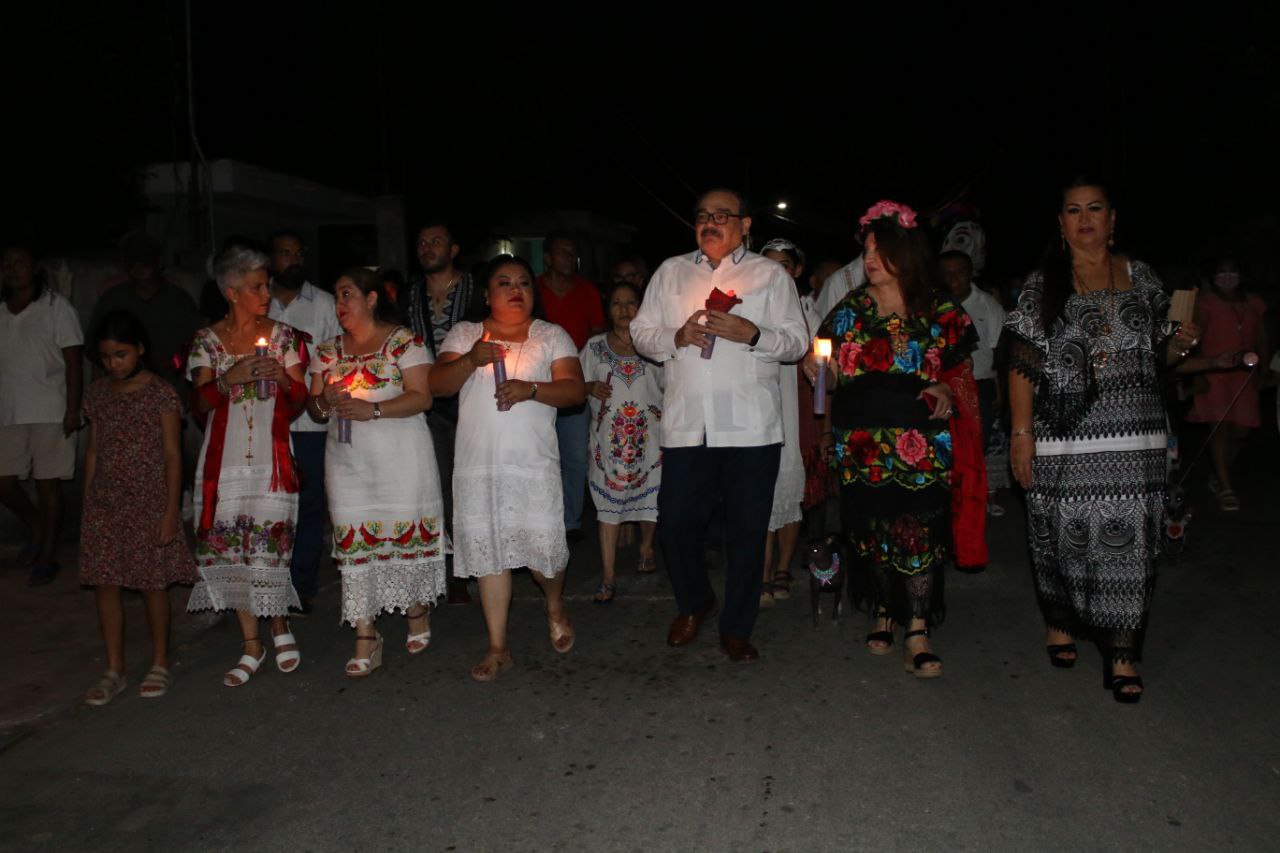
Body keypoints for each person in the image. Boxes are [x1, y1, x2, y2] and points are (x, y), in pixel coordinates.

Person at [1005, 176, 1200, 703]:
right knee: (1062, 533)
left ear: (1112, 219)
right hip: (1064, 435)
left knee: (1132, 545)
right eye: (1073, 210)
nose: (1085, 218)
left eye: (1095, 208)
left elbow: (1165, 358)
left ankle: (1122, 653)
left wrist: (1181, 345)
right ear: (1061, 223)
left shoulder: (1143, 277)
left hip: (1136, 435)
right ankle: (1061, 618)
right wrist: (1021, 436)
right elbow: (1023, 364)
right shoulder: (1042, 284)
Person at [631, 188, 809, 661]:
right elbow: (641, 332)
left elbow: (796, 342)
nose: (710, 223)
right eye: (703, 216)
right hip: (689, 424)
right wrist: (677, 335)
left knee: (748, 532)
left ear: (746, 224)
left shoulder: (770, 275)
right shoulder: (671, 271)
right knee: (675, 523)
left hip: (750, 427)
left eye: (722, 215)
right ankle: (695, 601)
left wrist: (752, 334)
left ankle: (737, 626)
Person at [809, 201, 977, 678]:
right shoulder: (850, 310)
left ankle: (918, 628)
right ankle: (884, 608)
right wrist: (818, 372)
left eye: (880, 251)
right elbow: (829, 377)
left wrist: (946, 385)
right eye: (866, 251)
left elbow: (965, 378)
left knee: (918, 528)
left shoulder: (939, 308)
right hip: (860, 438)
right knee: (873, 530)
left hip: (920, 438)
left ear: (906, 252)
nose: (870, 260)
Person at [430, 255, 586, 681]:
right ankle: (498, 646)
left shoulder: (551, 336)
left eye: (523, 283)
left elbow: (574, 392)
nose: (515, 289)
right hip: (479, 466)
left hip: (531, 464)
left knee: (543, 560)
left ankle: (554, 602)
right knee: (489, 557)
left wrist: (531, 389)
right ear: (486, 293)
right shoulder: (465, 335)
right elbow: (436, 385)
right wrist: (470, 360)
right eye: (504, 282)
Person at [307, 268, 446, 677]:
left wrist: (375, 409)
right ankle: (366, 634)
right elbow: (314, 412)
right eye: (336, 296)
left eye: (347, 293)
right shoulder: (328, 350)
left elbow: (422, 398)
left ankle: (415, 608)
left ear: (370, 299)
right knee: (355, 544)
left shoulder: (404, 341)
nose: (340, 304)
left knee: (402, 532)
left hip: (402, 460)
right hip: (348, 464)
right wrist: (325, 399)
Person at [187, 243, 309, 687]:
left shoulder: (284, 337)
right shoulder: (206, 341)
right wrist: (227, 379)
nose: (266, 293)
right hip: (225, 463)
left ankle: (279, 625)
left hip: (271, 464)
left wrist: (282, 379)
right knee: (233, 551)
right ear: (232, 291)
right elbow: (200, 403)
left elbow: (301, 401)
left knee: (270, 548)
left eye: (266, 285)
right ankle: (250, 644)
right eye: (257, 286)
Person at [79, 311, 198, 705]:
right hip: (106, 503)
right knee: (106, 584)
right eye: (107, 357)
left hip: (149, 501)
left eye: (121, 355)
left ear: (140, 351)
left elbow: (171, 454)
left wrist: (170, 512)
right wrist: (89, 502)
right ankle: (114, 668)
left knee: (151, 584)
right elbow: (94, 449)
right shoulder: (97, 393)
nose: (113, 364)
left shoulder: (160, 392)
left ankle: (160, 661)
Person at [401, 221, 482, 604]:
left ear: (453, 250)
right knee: (439, 485)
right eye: (421, 241)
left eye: (436, 240)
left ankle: (480, 560)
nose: (427, 247)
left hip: (473, 398)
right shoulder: (408, 296)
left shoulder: (477, 290)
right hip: (429, 403)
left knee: (472, 482)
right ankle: (452, 571)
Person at [266, 230, 342, 614]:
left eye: (298, 253)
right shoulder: (256, 300)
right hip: (264, 421)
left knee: (309, 503)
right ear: (271, 259)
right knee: (271, 505)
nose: (293, 260)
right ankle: (269, 582)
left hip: (310, 423)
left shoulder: (325, 304)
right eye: (284, 253)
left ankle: (302, 584)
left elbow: (336, 358)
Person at [0, 243, 84, 586]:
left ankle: (48, 552)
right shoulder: (2, 311)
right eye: (7, 263)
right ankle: (37, 526)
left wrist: (73, 409)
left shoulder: (56, 308)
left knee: (48, 485)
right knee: (3, 482)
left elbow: (74, 362)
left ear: (35, 267)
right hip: (8, 409)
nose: (13, 268)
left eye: (20, 261)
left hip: (50, 409)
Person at [580, 281, 663, 603]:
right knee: (607, 507)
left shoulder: (655, 346)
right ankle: (608, 576)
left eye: (631, 302)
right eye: (617, 302)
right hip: (608, 443)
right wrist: (589, 387)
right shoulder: (595, 347)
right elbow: (573, 382)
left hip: (650, 438)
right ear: (608, 308)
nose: (624, 309)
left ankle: (645, 549)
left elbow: (672, 385)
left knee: (651, 497)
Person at [1184, 257, 1270, 511]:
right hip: (1215, 371)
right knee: (1220, 428)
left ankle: (1219, 475)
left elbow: (1263, 337)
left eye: (1233, 270)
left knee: (1242, 429)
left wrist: (1264, 370)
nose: (1228, 275)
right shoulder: (1206, 303)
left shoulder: (1254, 302)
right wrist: (1197, 372)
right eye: (1222, 271)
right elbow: (1194, 339)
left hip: (1245, 373)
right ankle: (1225, 486)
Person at [537, 232, 605, 540]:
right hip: (537, 384)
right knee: (541, 456)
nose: (568, 258)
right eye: (562, 251)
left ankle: (571, 521)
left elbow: (596, 336)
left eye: (572, 252)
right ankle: (543, 519)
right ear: (548, 257)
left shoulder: (587, 291)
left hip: (576, 383)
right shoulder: (533, 290)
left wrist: (587, 377)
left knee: (576, 456)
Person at [88, 232, 200, 397]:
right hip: (120, 392)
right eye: (133, 262)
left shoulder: (179, 300)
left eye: (145, 261)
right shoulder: (112, 299)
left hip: (169, 391)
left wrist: (176, 367)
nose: (139, 268)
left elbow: (197, 348)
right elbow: (95, 352)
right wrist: (97, 393)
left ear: (158, 262)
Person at [758, 238, 808, 605]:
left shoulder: (808, 311)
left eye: (784, 265)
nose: (777, 272)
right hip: (756, 417)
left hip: (793, 416)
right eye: (769, 264)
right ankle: (759, 572)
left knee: (790, 492)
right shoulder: (747, 309)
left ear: (797, 270)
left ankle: (782, 569)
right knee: (758, 497)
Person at [940, 249, 1008, 521]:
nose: (953, 278)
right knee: (945, 449)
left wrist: (1001, 391)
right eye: (947, 273)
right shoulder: (933, 304)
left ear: (970, 273)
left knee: (974, 449)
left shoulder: (988, 304)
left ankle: (972, 504)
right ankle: (948, 503)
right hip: (942, 388)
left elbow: (1001, 353)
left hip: (979, 387)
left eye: (959, 272)